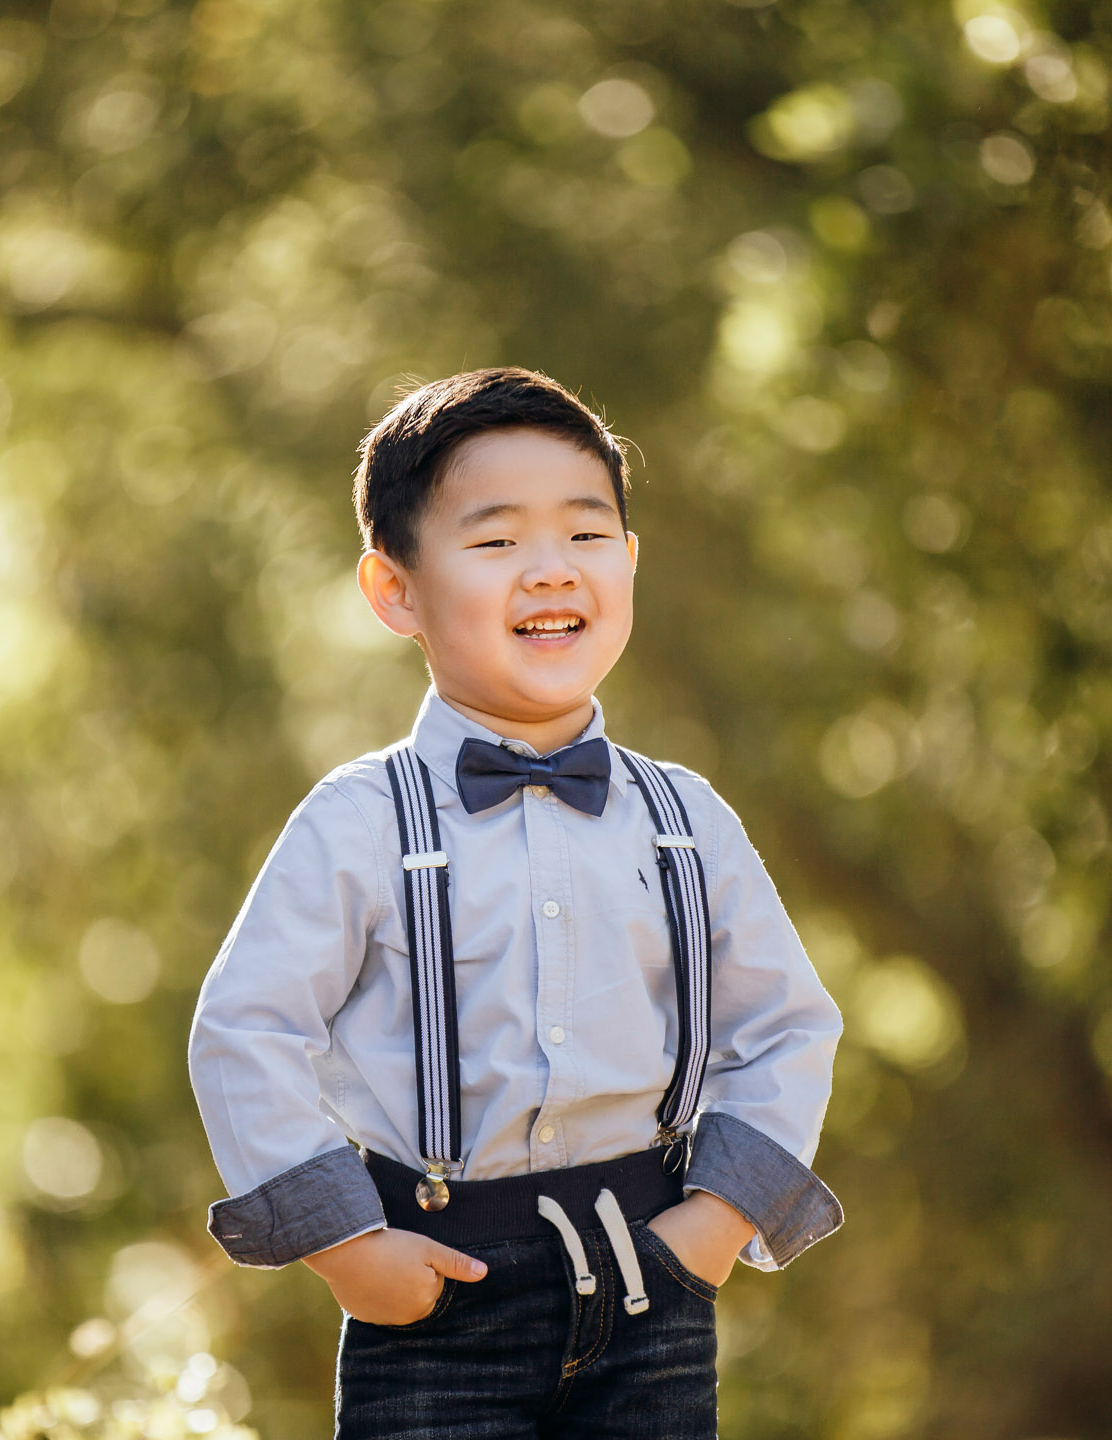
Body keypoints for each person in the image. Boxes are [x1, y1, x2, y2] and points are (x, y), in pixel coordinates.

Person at [187, 368, 844, 1439]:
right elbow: (245, 1030)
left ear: (629, 564)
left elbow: (787, 1025)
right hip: (437, 1290)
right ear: (396, 590)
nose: (550, 571)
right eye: (495, 544)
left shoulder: (685, 818)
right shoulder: (358, 824)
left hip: (653, 1281)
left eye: (587, 537)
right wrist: (351, 1249)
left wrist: (715, 1227)